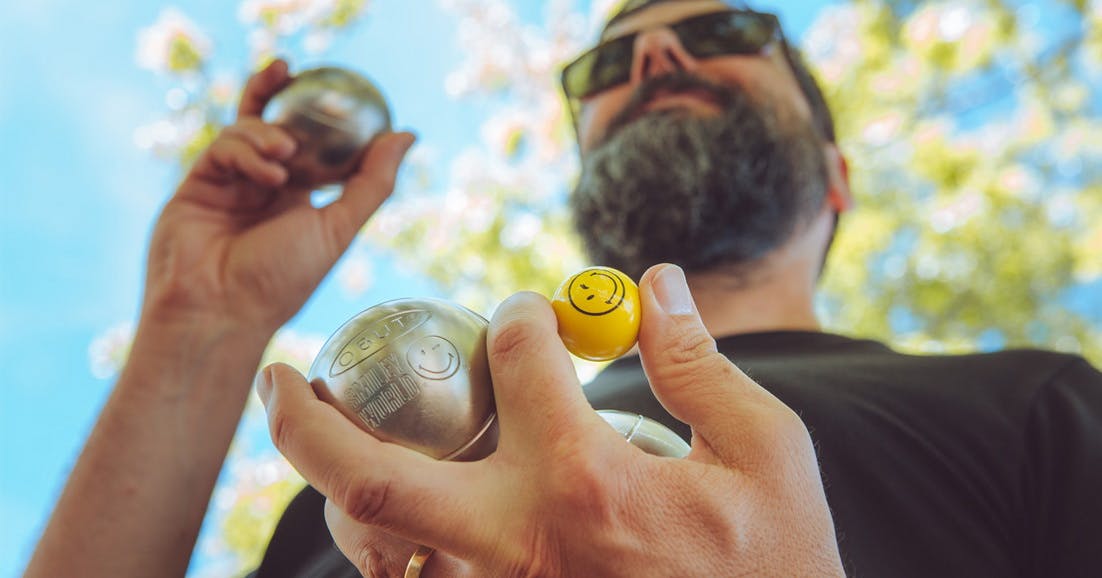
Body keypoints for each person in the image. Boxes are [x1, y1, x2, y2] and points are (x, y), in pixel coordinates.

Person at [25, 0, 1101, 576]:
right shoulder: (372, 478)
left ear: (836, 176)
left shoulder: (1039, 407)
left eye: (723, 32)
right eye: (604, 66)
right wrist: (200, 319)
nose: (654, 53)